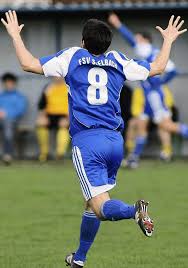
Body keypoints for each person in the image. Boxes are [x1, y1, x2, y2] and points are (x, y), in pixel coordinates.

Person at [2, 10, 187, 267]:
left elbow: (28, 64)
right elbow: (157, 68)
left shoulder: (72, 57)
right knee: (92, 203)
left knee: (101, 207)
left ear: (83, 41)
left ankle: (135, 210)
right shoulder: (118, 60)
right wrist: (167, 40)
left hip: (88, 142)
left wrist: (14, 35)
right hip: (114, 141)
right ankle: (79, 258)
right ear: (107, 43)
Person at [108, 13, 181, 168]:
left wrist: (118, 24)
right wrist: (161, 82)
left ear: (145, 40)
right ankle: (134, 158)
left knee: (167, 126)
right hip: (147, 95)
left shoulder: (147, 49)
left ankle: (152, 154)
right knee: (141, 124)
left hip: (154, 95)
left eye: (139, 39)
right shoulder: (153, 52)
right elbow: (173, 70)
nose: (137, 41)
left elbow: (131, 40)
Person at [36, 77, 69, 162]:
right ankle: (44, 153)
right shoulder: (48, 87)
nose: (57, 77)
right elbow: (41, 105)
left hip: (65, 115)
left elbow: (75, 104)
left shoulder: (69, 87)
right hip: (50, 115)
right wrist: (42, 116)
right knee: (40, 122)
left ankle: (60, 153)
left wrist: (69, 118)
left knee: (63, 125)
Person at [0, 72, 27, 164]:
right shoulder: (1, 96)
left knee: (8, 129)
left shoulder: (19, 97)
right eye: (6, 83)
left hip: (12, 121)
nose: (8, 85)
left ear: (14, 83)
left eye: (10, 82)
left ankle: (7, 155)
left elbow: (20, 110)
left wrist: (6, 114)